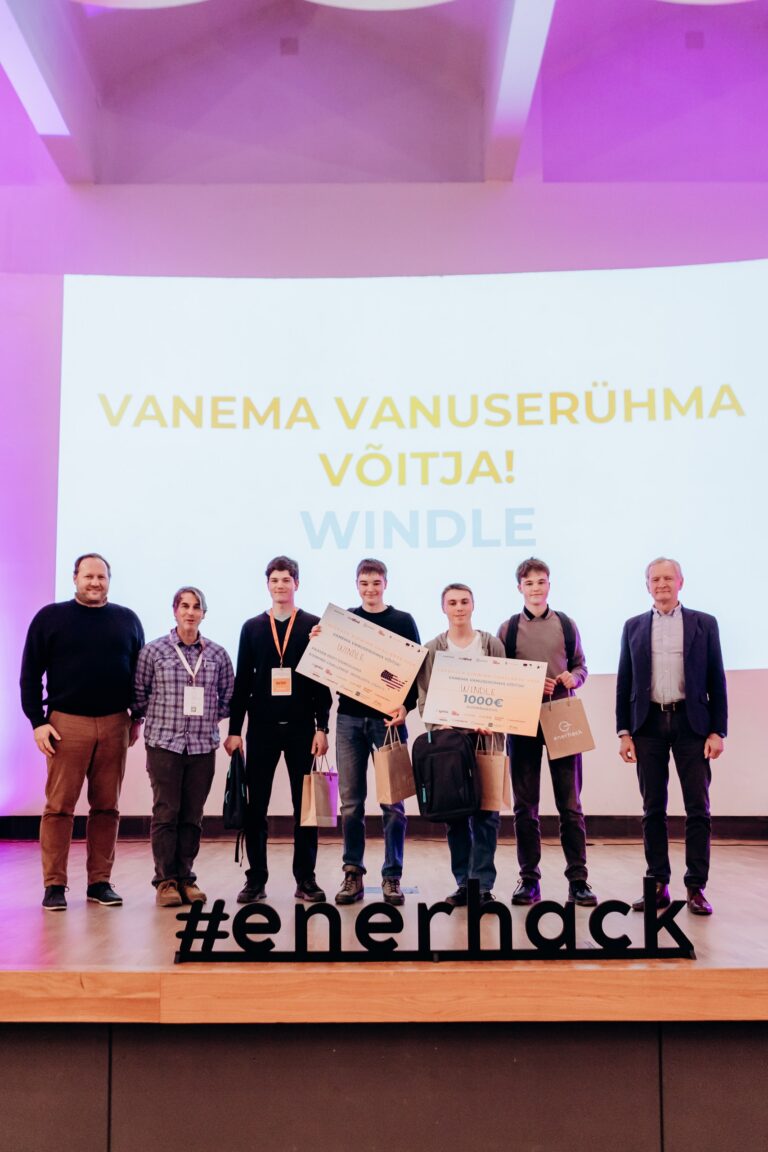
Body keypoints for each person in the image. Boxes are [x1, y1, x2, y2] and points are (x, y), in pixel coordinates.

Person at [20, 553, 145, 911]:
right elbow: (30, 674)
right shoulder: (49, 618)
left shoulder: (127, 620)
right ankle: (54, 885)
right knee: (59, 808)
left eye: (101, 577)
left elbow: (138, 674)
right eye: (88, 576)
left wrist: (136, 718)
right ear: (75, 578)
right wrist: (37, 722)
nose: (95, 582)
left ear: (109, 581)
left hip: (115, 722)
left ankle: (99, 883)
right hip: (66, 724)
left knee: (107, 807)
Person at [616, 557, 727, 916]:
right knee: (652, 809)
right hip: (647, 725)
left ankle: (696, 887)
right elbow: (624, 683)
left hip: (692, 725)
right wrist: (624, 733)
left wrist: (717, 730)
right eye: (655, 579)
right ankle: (657, 884)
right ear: (647, 585)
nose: (661, 584)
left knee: (698, 809)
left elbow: (716, 679)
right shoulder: (633, 626)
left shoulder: (704, 624)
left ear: (681, 582)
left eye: (668, 578)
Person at [224, 557, 331, 904]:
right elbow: (242, 682)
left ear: (296, 583)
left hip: (302, 730)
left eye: (286, 579)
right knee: (256, 808)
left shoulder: (314, 626)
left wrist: (322, 726)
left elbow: (321, 680)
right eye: (274, 580)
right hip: (262, 730)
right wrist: (235, 730)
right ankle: (256, 879)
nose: (280, 585)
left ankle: (306, 879)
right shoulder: (252, 627)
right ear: (267, 585)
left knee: (306, 809)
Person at [497, 557, 597, 907]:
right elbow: (501, 675)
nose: (536, 588)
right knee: (525, 807)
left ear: (549, 585)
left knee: (570, 805)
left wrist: (574, 678)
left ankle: (578, 880)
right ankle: (529, 880)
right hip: (522, 721)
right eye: (529, 583)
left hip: (562, 718)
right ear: (519, 588)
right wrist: (530, 684)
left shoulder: (566, 624)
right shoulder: (508, 629)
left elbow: (581, 666)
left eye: (541, 582)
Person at [133, 587, 233, 907]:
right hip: (164, 744)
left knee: (192, 815)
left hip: (202, 746)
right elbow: (139, 694)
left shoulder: (218, 654)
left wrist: (205, 720)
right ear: (175, 610)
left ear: (204, 613)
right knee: (166, 813)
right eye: (185, 606)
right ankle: (166, 881)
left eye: (196, 607)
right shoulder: (154, 651)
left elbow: (228, 698)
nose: (190, 612)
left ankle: (186, 878)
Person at [332, 558, 421, 907]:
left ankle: (392, 876)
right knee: (351, 803)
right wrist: (318, 642)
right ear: (357, 585)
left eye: (376, 582)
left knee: (393, 804)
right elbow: (330, 663)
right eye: (364, 583)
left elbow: (415, 670)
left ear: (386, 584)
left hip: (388, 723)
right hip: (349, 720)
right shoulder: (345, 621)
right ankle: (352, 873)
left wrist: (406, 708)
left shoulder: (403, 621)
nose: (370, 589)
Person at [417, 583, 505, 906]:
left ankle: (482, 885)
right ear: (443, 608)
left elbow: (504, 688)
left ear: (473, 605)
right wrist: (438, 725)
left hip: (485, 740)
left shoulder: (491, 644)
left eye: (464, 602)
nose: (458, 608)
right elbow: (424, 696)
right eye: (452, 603)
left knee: (487, 816)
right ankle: (463, 883)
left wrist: (493, 720)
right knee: (454, 815)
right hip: (450, 744)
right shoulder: (432, 649)